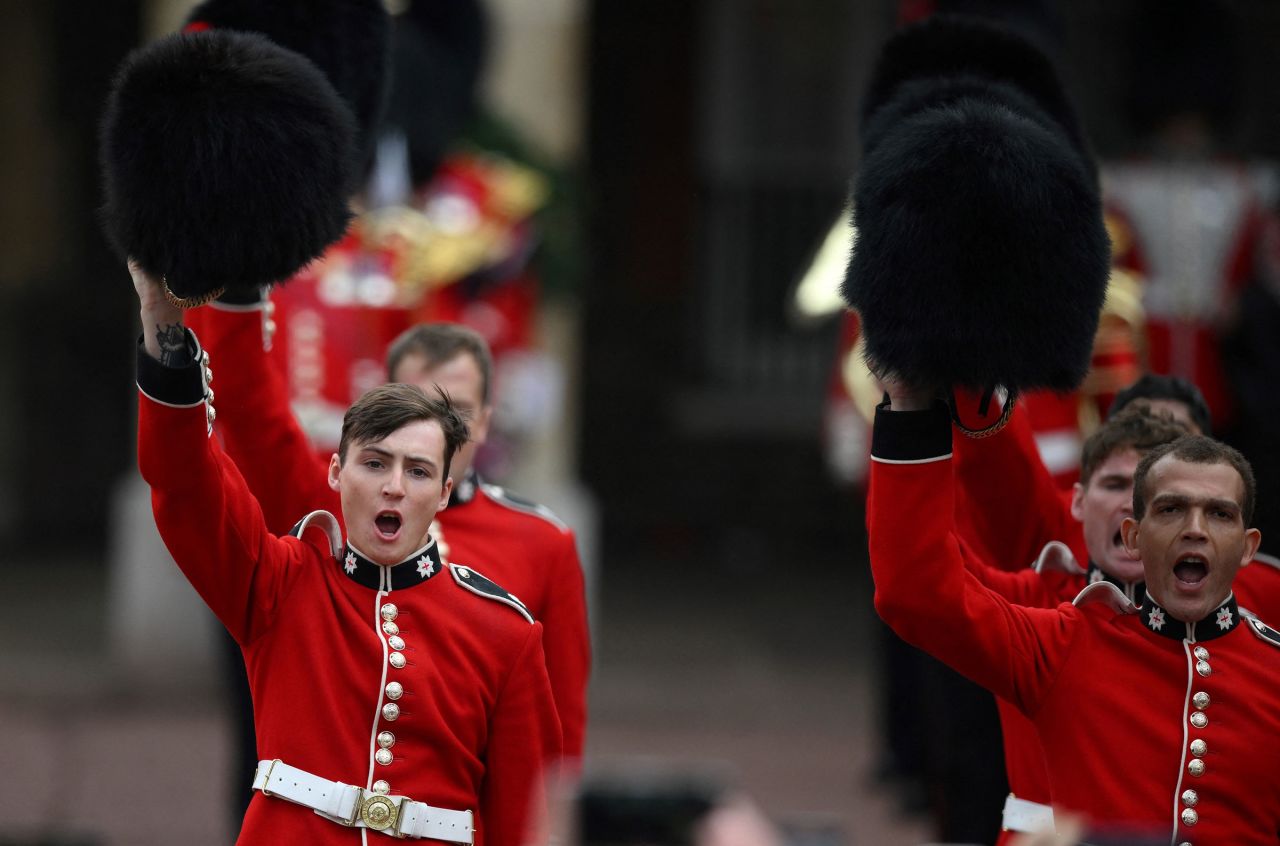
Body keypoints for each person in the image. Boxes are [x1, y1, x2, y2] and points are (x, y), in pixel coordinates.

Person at [131, 263, 561, 844]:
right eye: (375, 463)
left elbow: (525, 821)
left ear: (443, 493)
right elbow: (187, 485)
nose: (393, 486)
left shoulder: (505, 632)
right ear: (335, 473)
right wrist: (165, 333)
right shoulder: (279, 585)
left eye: (417, 471)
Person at [868, 377, 1280, 843]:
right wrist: (910, 408)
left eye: (1220, 514)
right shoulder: (1067, 642)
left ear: (1248, 548)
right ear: (1135, 535)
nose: (1196, 530)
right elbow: (918, 591)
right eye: (1170, 510)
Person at [186, 304, 592, 764]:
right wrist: (236, 294)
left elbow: (553, 734)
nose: (431, 429)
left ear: (482, 421)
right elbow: (248, 408)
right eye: (416, 406)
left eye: (455, 412)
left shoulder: (542, 542)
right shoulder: (330, 496)